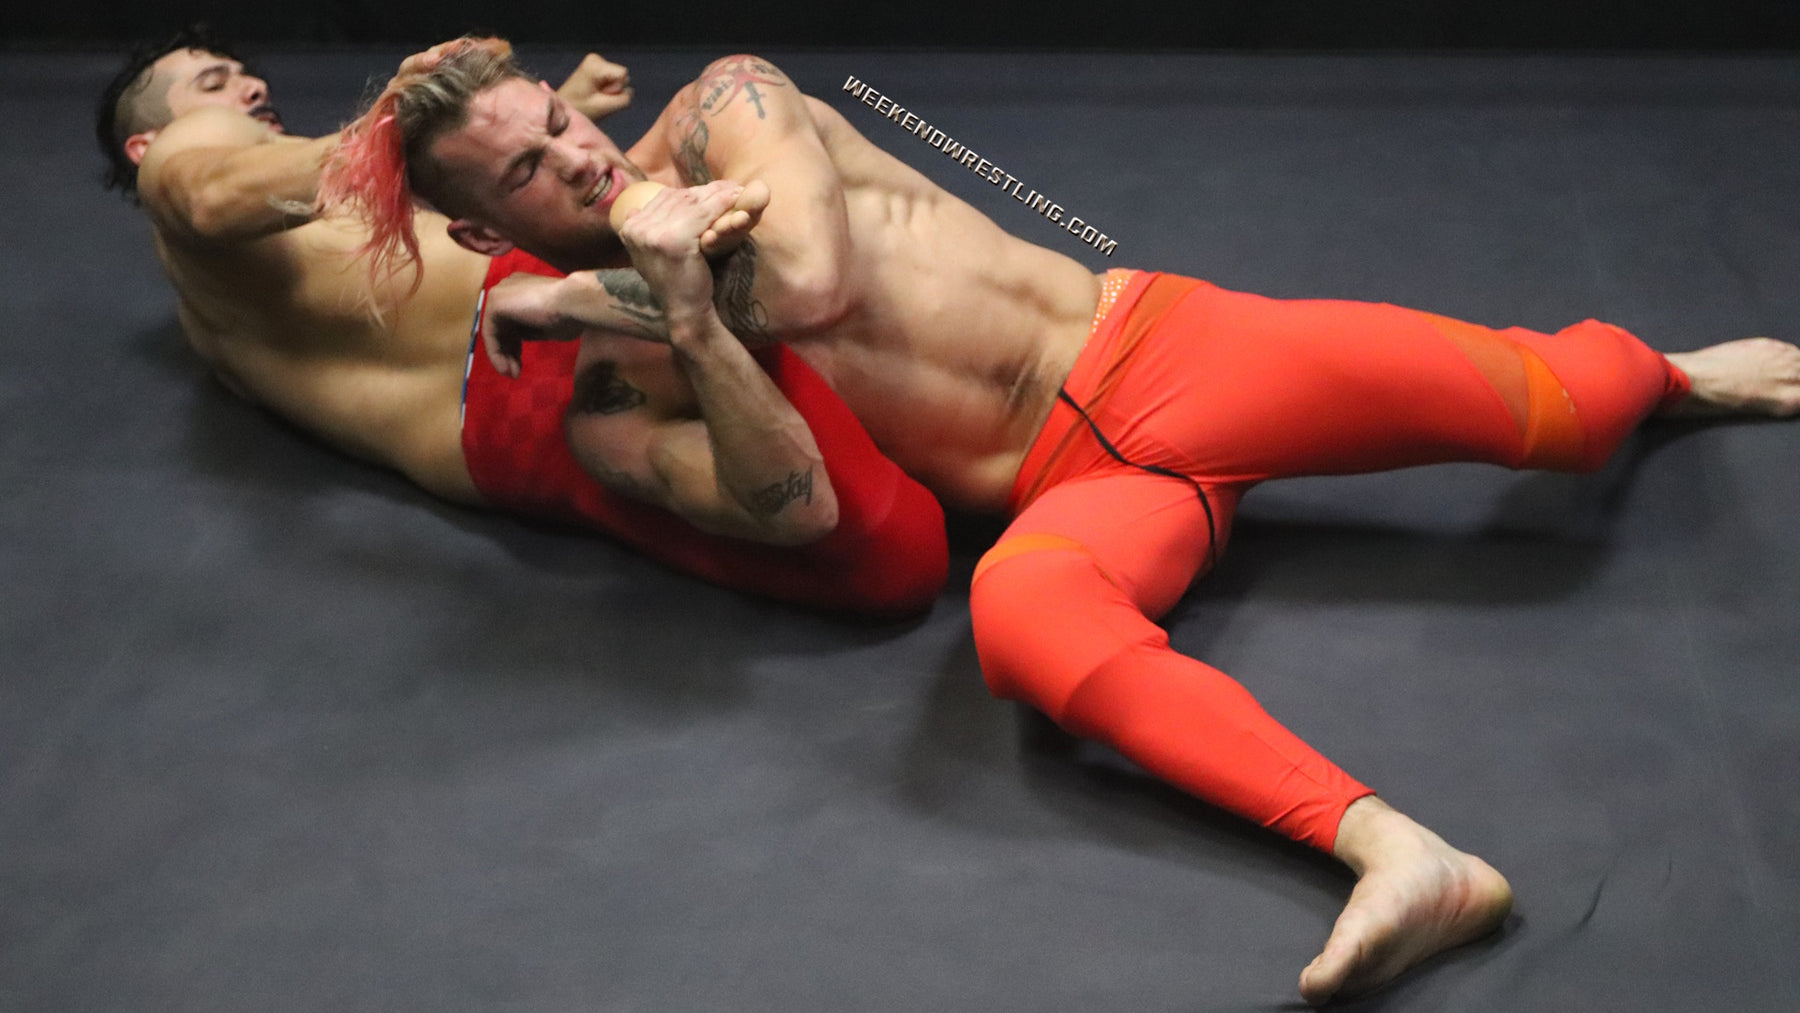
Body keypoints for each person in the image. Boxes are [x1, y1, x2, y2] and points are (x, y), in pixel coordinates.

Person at [327, 41, 1800, 1004]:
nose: (578, 159)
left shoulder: (729, 106)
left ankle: (1670, 373)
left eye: (561, 122)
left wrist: (576, 292)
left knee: (1565, 412)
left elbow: (816, 282)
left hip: (1163, 351)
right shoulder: (612, 393)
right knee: (1020, 623)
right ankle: (1401, 856)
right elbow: (791, 512)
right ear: (483, 231)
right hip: (1071, 491)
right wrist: (653, 316)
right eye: (526, 172)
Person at [94, 30, 947, 617]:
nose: (248, 87)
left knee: (816, 346)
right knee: (882, 536)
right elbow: (207, 196)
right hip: (511, 370)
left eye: (241, 72)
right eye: (211, 83)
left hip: (506, 394)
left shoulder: (224, 300)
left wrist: (527, 130)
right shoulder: (187, 168)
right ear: (144, 145)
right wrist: (394, 126)